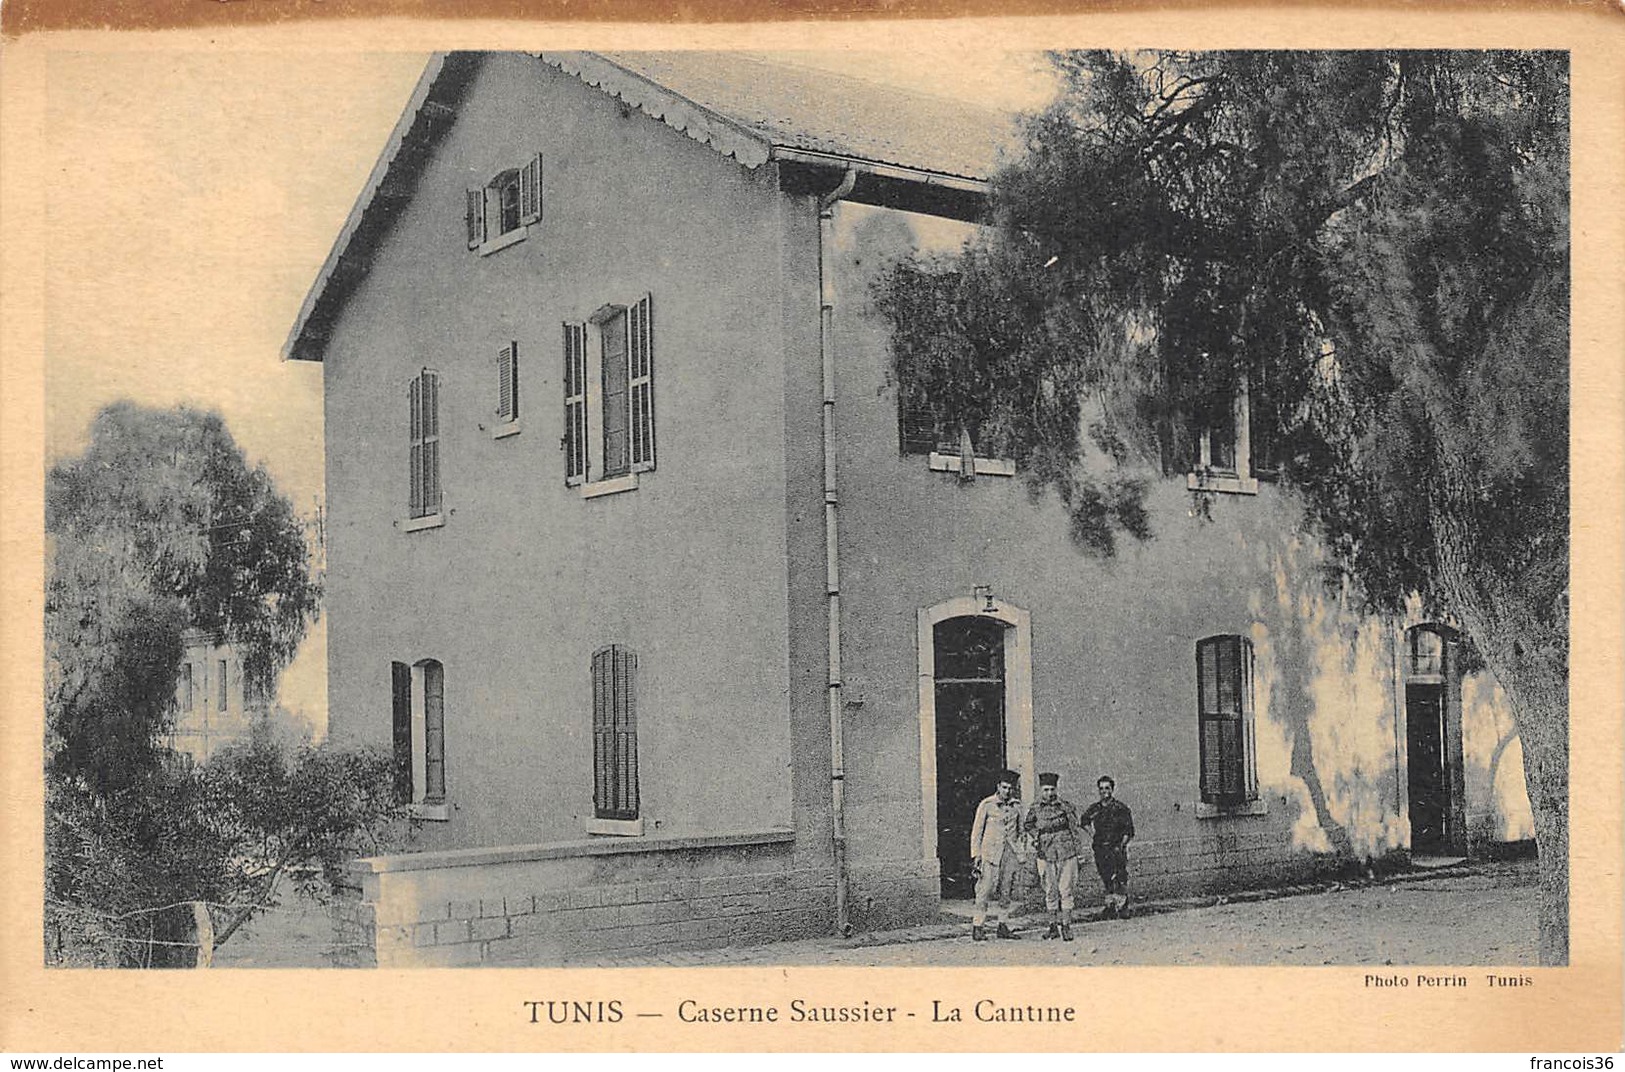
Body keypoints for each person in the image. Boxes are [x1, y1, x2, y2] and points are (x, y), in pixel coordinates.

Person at [968, 769, 1027, 941]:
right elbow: (977, 831)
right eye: (1004, 787)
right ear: (998, 787)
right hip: (990, 854)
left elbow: (1021, 831)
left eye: (1010, 788)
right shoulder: (987, 804)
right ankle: (978, 926)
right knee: (984, 890)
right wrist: (976, 855)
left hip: (1009, 854)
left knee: (1006, 891)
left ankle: (1003, 925)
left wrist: (1020, 850)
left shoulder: (1017, 806)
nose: (1007, 791)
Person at [1023, 772, 1081, 941]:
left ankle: (1066, 926)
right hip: (1045, 853)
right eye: (1046, 790)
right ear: (1041, 790)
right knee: (1050, 890)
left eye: (1052, 789)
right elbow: (1028, 825)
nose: (1049, 793)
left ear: (1056, 789)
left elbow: (1074, 829)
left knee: (1066, 890)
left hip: (1066, 852)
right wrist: (1036, 837)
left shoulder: (1065, 807)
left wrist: (1079, 853)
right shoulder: (1035, 807)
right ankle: (1052, 927)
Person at [1081, 775, 1135, 919]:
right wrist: (1093, 834)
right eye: (1101, 789)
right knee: (1106, 877)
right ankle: (1110, 906)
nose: (1104, 791)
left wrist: (1121, 846)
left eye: (1107, 788)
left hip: (1116, 848)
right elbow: (1084, 820)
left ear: (1112, 789)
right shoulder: (1095, 808)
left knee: (1120, 877)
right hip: (1100, 849)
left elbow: (1128, 830)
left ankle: (1123, 906)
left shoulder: (1120, 808)